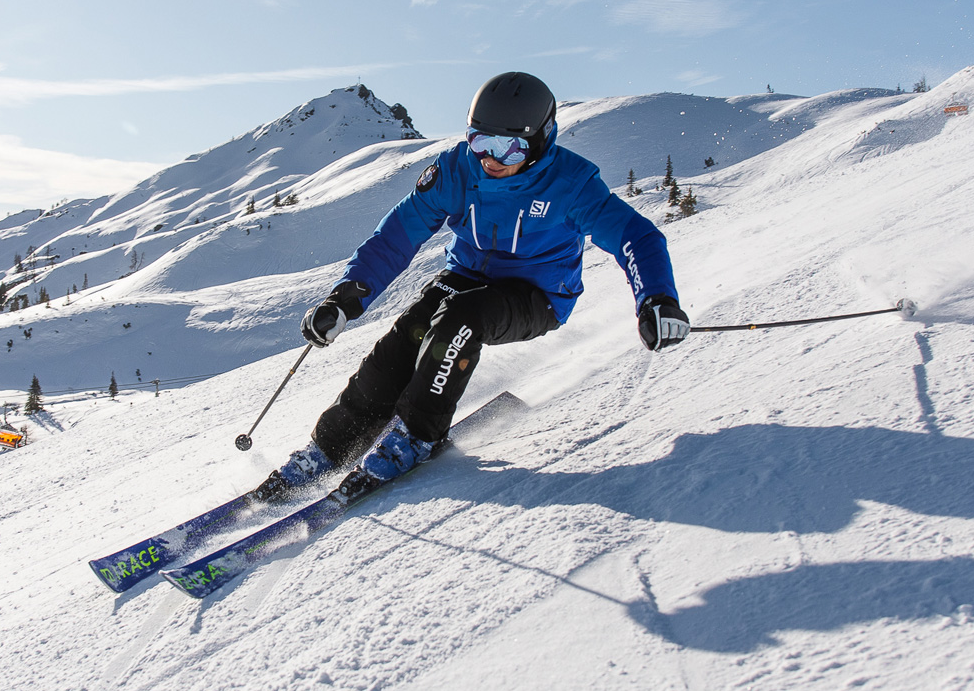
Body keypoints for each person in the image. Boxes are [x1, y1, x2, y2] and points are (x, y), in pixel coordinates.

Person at [259, 71, 690, 501]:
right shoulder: (456, 171)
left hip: (536, 295)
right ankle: (329, 446)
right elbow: (399, 234)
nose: (490, 158)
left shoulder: (570, 185)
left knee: (461, 321)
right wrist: (346, 297)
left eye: (508, 146)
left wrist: (657, 297)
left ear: (540, 141)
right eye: (479, 140)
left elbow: (636, 235)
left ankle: (416, 435)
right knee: (405, 337)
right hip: (465, 276)